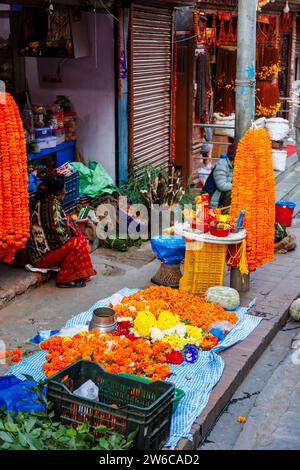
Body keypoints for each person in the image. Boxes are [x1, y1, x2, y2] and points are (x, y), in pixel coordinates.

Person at [18, 174, 96, 287]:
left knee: (79, 238)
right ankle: (65, 279)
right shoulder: (51, 205)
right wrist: (75, 231)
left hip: (40, 253)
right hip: (41, 257)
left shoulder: (47, 201)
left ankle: (80, 273)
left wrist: (73, 229)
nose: (65, 192)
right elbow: (61, 236)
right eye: (64, 189)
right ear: (59, 192)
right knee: (78, 242)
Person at [206, 143, 236, 209]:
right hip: (211, 199)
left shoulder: (231, 166)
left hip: (220, 197)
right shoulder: (221, 165)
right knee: (232, 192)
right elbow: (221, 186)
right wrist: (238, 186)